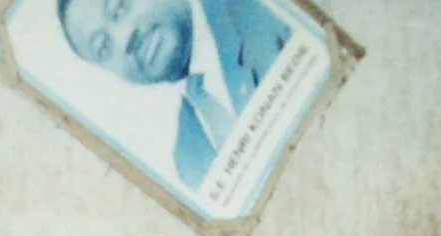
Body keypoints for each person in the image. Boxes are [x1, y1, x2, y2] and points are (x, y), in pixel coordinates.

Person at [56, 0, 293, 188]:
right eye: (104, 47)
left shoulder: (264, 10)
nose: (125, 38)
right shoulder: (189, 158)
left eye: (119, 7)